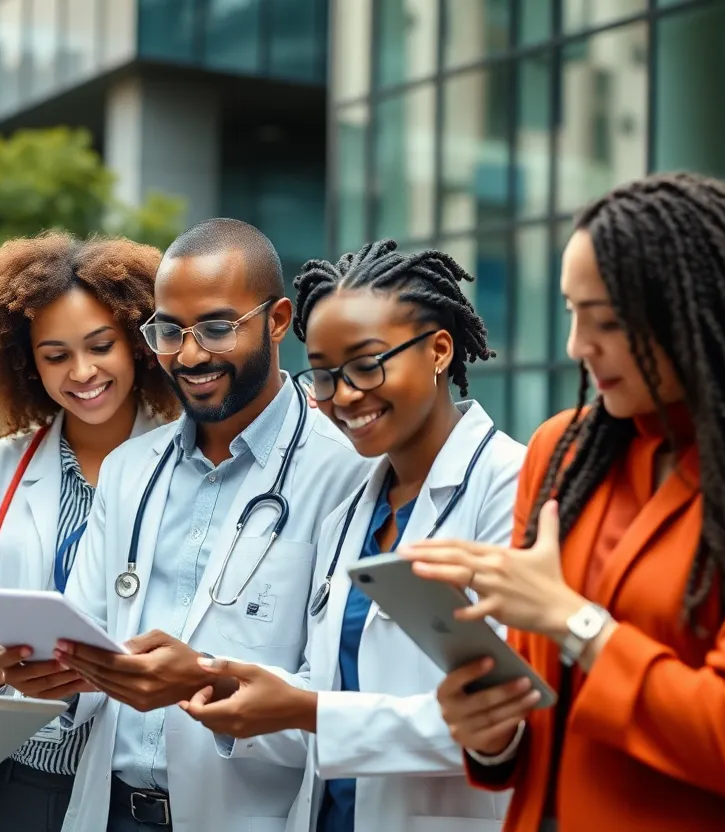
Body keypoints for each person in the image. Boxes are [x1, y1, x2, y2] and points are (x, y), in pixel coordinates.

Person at [404, 172, 725, 830]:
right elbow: (541, 710)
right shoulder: (563, 453)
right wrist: (491, 734)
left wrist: (575, 622)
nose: (577, 347)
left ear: (694, 317)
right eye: (571, 311)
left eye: (609, 322)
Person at [0, 218, 371, 832]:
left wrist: (203, 680)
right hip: (112, 812)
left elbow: (341, 702)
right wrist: (46, 670)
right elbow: (89, 646)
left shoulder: (345, 473)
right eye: (169, 331)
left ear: (276, 321)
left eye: (217, 328)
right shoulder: (130, 468)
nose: (188, 355)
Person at [180, 240, 525, 832]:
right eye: (323, 374)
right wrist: (222, 677)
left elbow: (505, 718)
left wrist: (307, 710)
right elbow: (335, 680)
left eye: (367, 365)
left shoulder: (510, 489)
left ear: (440, 350)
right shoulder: (351, 511)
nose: (342, 396)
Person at [0, 231, 180, 832]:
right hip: (9, 782)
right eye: (56, 354)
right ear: (27, 363)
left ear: (138, 346)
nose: (82, 372)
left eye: (100, 346)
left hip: (125, 791)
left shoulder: (187, 467)